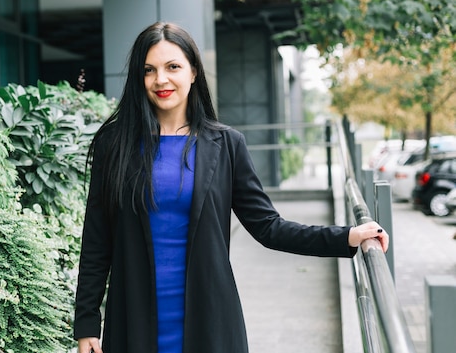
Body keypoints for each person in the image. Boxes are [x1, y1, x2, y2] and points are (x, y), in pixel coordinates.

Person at [74, 22, 389, 353]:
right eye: (149, 70)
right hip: (133, 322)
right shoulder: (115, 145)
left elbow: (269, 227)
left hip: (210, 321)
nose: (161, 80)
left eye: (173, 67)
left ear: (193, 72)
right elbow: (97, 242)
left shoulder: (225, 145)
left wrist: (347, 237)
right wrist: (87, 324)